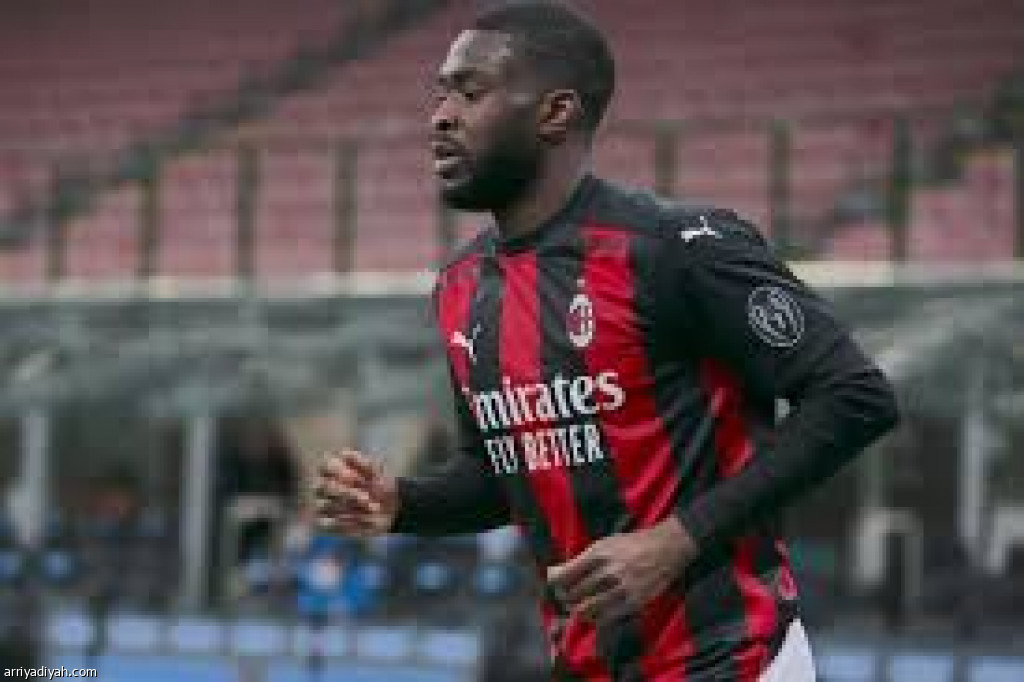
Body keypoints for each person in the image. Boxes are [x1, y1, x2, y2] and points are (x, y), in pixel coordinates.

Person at [315, 2, 899, 680]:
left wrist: (677, 541)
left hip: (731, 657)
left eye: (470, 93)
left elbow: (855, 396)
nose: (441, 116)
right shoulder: (461, 286)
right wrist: (403, 504)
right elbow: (504, 472)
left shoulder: (675, 248)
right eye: (441, 94)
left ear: (556, 113)